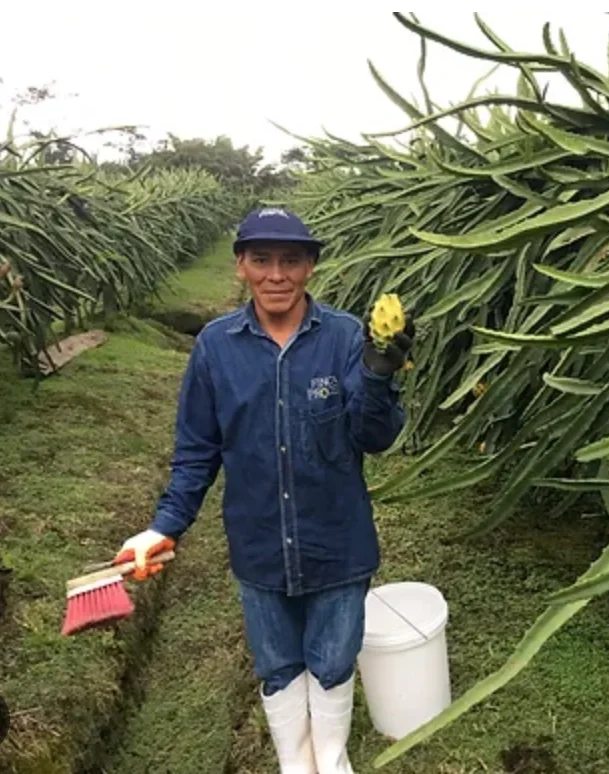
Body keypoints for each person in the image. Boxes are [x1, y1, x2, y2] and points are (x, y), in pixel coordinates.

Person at [112, 206, 414, 774]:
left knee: (333, 659)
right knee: (277, 665)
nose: (277, 274)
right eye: (262, 260)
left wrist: (378, 375)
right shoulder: (215, 347)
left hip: (337, 541)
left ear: (310, 269)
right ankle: (293, 762)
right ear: (241, 267)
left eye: (291, 261)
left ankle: (331, 756)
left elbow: (376, 438)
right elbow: (197, 450)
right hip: (259, 544)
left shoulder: (347, 337)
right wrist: (163, 525)